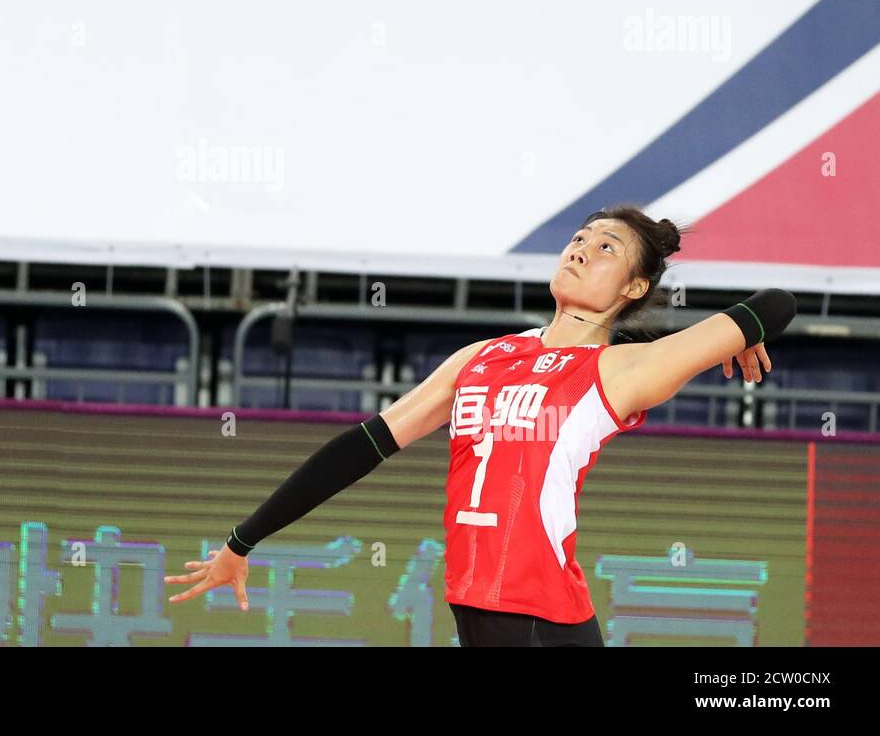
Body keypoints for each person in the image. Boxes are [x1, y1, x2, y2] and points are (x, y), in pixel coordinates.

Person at [164, 204, 797, 646]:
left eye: (607, 248)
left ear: (634, 287)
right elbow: (360, 448)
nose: (582, 247)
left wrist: (742, 333)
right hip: (477, 609)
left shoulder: (621, 370)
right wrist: (243, 540)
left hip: (542, 617)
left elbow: (778, 303)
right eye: (581, 237)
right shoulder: (483, 357)